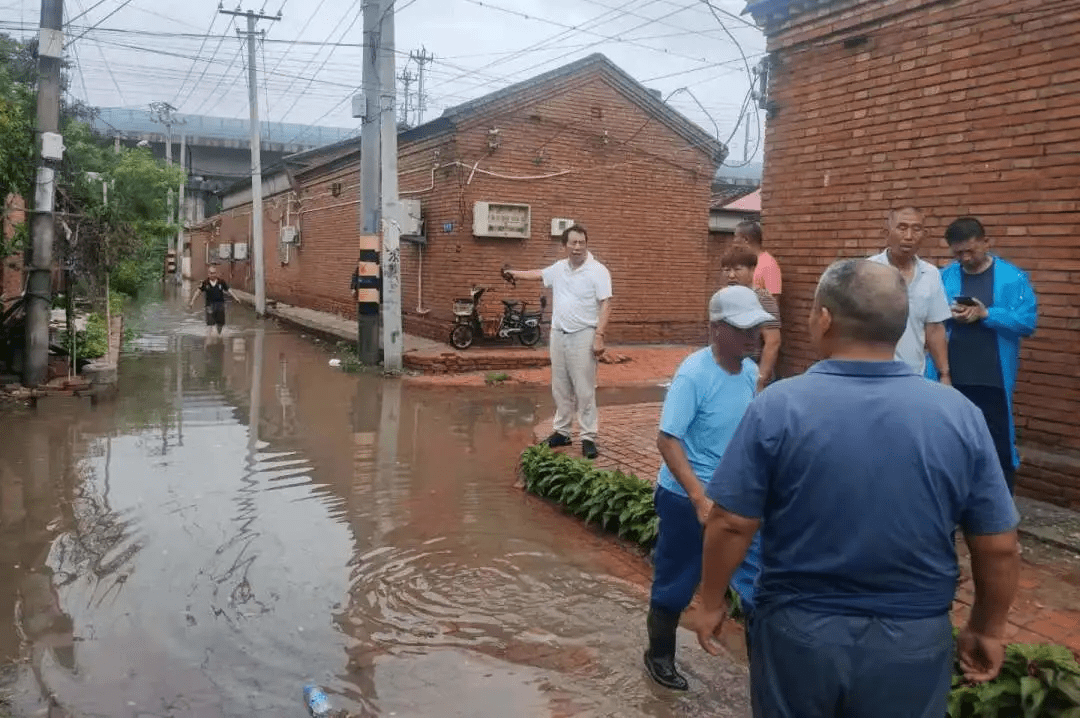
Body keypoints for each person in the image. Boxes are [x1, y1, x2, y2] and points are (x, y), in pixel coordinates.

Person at [694, 259, 1020, 718]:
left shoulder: (779, 407)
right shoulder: (958, 414)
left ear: (824, 319)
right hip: (913, 637)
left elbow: (731, 523)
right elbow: (999, 545)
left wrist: (710, 602)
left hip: (799, 634)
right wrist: (987, 627)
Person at [644, 285, 774, 691]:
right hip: (687, 498)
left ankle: (764, 674)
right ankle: (659, 655)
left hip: (737, 502)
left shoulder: (751, 374)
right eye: (743, 329)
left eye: (757, 327)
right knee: (677, 580)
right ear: (715, 329)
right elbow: (668, 439)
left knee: (756, 584)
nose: (754, 336)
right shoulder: (694, 375)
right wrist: (700, 498)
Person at [927, 217, 1037, 494]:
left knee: (997, 444)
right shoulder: (945, 277)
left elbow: (1026, 323)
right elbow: (930, 321)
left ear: (986, 243)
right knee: (950, 442)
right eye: (958, 253)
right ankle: (955, 501)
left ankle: (1000, 508)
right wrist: (950, 315)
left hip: (993, 377)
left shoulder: (1013, 278)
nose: (965, 257)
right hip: (950, 376)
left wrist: (986, 314)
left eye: (971, 251)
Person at [505, 225, 612, 459]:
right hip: (558, 334)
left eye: (581, 242)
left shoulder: (598, 271)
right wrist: (515, 273)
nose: (577, 247)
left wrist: (600, 335)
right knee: (560, 387)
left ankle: (588, 437)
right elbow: (538, 274)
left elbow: (606, 304)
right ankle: (562, 432)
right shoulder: (559, 268)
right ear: (565, 246)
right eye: (573, 243)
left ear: (586, 244)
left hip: (584, 334)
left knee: (584, 389)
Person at [867, 206, 952, 380]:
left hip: (913, 375)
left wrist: (944, 373)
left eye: (916, 229)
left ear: (924, 235)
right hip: (872, 374)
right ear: (887, 232)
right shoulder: (867, 271)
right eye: (902, 228)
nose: (909, 236)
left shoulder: (930, 274)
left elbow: (934, 328)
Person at [720, 245, 782, 393]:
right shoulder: (723, 297)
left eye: (738, 269)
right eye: (727, 270)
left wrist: (760, 379)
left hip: (748, 375)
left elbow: (773, 342)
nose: (731, 275)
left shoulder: (763, 299)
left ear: (752, 270)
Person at [188, 265, 240, 341]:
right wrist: (192, 301)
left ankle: (219, 336)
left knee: (220, 324)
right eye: (211, 273)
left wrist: (236, 298)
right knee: (210, 324)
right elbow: (198, 292)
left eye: (214, 273)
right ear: (208, 274)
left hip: (220, 305)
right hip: (209, 305)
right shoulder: (205, 283)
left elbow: (229, 290)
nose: (212, 275)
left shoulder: (221, 282)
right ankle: (209, 340)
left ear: (216, 273)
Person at [731, 221, 781, 299]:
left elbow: (773, 301)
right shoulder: (743, 262)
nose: (733, 241)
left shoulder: (768, 265)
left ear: (746, 240)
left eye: (735, 237)